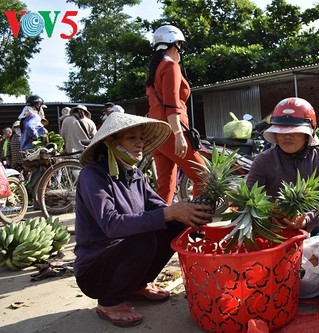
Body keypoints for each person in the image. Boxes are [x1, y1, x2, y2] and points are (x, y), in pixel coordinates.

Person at [74, 112, 213, 328]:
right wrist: (168, 213)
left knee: (175, 224)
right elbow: (111, 224)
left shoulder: (135, 175)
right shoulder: (93, 175)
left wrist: (189, 213)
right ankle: (109, 302)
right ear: (111, 142)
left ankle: (137, 286)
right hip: (95, 271)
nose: (140, 143)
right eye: (132, 138)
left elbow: (160, 209)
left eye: (141, 138)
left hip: (124, 256)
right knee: (145, 238)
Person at [246, 97, 319, 235]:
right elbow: (250, 194)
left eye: (295, 131)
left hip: (312, 225)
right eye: (281, 131)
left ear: (310, 132)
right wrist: (268, 216)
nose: (287, 136)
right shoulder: (262, 160)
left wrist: (305, 220)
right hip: (272, 227)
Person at [145, 24, 205, 204]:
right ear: (175, 43)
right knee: (204, 177)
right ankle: (197, 224)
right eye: (180, 44)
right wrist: (178, 134)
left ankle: (160, 228)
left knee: (166, 186)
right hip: (171, 130)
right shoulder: (170, 66)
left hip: (156, 132)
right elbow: (171, 104)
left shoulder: (156, 68)